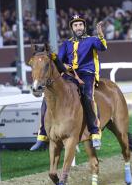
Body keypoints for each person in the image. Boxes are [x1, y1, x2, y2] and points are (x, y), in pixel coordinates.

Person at [30, 14, 107, 151]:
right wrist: (56, 60)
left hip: (86, 74)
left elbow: (102, 47)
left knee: (88, 97)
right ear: (72, 28)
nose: (78, 27)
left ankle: (95, 132)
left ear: (84, 27)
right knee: (47, 97)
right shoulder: (66, 43)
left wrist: (101, 35)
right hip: (69, 75)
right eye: (75, 25)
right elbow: (59, 61)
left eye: (80, 25)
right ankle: (42, 136)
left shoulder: (92, 40)